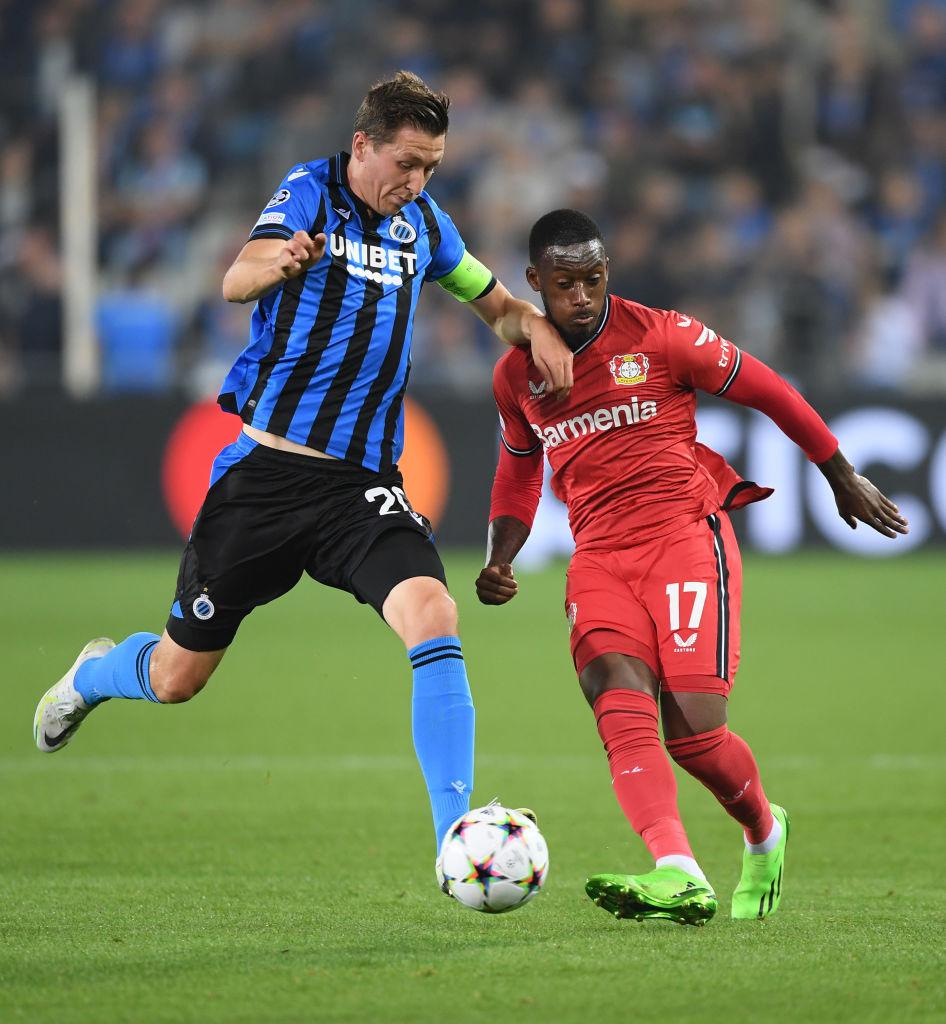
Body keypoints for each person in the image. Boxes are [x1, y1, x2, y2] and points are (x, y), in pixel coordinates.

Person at [33, 72, 573, 880]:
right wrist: (281, 263)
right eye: (407, 162)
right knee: (178, 677)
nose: (417, 180)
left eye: (431, 166)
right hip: (265, 480)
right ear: (363, 145)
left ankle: (455, 841)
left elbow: (495, 306)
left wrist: (539, 330)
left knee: (433, 613)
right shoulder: (311, 193)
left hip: (361, 489)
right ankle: (95, 674)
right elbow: (236, 278)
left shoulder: (424, 225)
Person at [476, 209, 909, 925]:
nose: (581, 296)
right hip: (599, 558)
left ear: (607, 272)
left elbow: (769, 390)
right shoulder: (515, 376)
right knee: (613, 693)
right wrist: (500, 558)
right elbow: (519, 471)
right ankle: (676, 869)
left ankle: (764, 829)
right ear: (534, 282)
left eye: (593, 279)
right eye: (564, 284)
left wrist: (838, 471)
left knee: (696, 737)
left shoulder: (662, 336)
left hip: (683, 540)